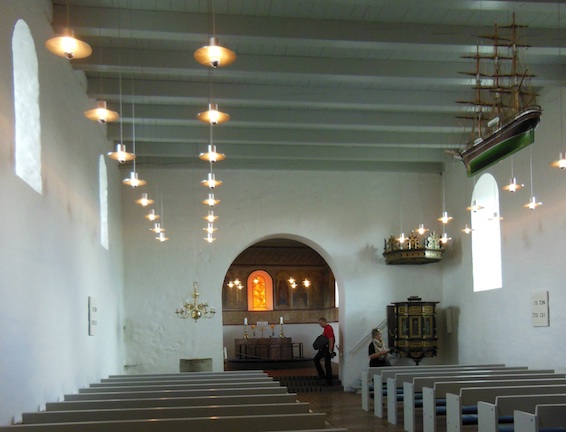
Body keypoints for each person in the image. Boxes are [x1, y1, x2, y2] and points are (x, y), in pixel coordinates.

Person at [314, 317, 335, 386]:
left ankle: (329, 382)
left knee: (327, 365)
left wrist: (330, 350)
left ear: (324, 321)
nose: (320, 325)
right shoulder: (325, 329)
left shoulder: (328, 328)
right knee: (316, 359)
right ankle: (322, 375)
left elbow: (331, 339)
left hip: (327, 349)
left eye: (320, 323)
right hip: (324, 349)